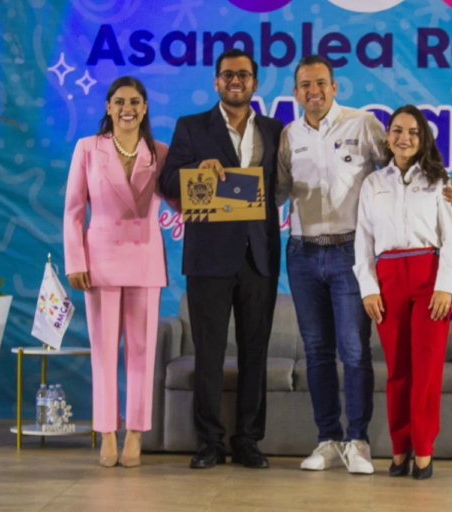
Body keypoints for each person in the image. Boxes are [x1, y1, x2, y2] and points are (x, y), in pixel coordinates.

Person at [276, 55, 452, 474]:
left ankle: (358, 441)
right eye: (305, 85)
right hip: (303, 252)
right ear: (295, 92)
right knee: (317, 351)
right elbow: (276, 192)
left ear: (335, 86)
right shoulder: (289, 135)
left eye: (321, 83)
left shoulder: (364, 125)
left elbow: (405, 167)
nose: (314, 91)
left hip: (348, 254)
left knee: (355, 352)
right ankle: (327, 439)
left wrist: (450, 185)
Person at [158, 49, 284, 469]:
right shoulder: (191, 127)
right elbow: (168, 179)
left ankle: (248, 440)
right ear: (216, 82)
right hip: (208, 258)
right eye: (228, 74)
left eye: (244, 75)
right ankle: (209, 443)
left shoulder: (274, 129)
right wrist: (197, 166)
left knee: (255, 354)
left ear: (255, 82)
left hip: (258, 258)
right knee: (208, 354)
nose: (236, 80)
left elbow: (284, 184)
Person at [64, 76, 168, 468]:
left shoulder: (161, 152)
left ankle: (135, 434)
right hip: (99, 261)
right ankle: (106, 431)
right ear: (108, 107)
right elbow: (74, 210)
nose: (128, 107)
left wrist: (211, 180)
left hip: (145, 259)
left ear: (144, 108)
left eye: (136, 101)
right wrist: (76, 261)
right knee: (105, 353)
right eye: (120, 101)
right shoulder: (88, 149)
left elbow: (183, 198)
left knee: (142, 353)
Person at [354, 105, 452, 480]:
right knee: (397, 371)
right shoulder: (373, 183)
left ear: (423, 139)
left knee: (427, 370)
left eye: (414, 132)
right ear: (387, 136)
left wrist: (444, 288)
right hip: (388, 282)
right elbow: (363, 240)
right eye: (398, 130)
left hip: (427, 277)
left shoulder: (440, 180)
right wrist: (369, 288)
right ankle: (400, 449)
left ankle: (424, 452)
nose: (405, 138)